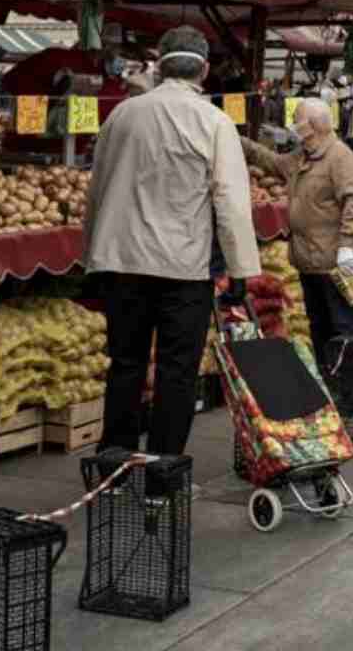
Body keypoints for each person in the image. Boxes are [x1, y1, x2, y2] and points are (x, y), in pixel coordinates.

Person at [84, 25, 261, 457]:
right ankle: (164, 471)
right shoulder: (215, 122)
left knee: (125, 365)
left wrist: (91, 258)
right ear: (203, 70)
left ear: (159, 64)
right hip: (184, 270)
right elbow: (231, 202)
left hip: (122, 264)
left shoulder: (122, 115)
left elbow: (97, 189)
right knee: (176, 373)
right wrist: (240, 271)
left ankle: (114, 464)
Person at [241, 98, 353, 356]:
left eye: (298, 122)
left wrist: (347, 247)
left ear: (311, 127)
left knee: (345, 331)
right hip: (309, 262)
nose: (294, 128)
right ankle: (328, 386)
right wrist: (241, 143)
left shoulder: (340, 157)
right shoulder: (302, 157)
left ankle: (351, 391)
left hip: (338, 265)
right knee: (320, 329)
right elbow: (273, 162)